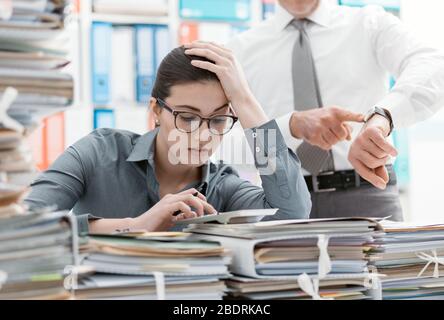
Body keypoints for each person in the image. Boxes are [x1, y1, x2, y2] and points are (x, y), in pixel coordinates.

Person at [24, 42, 311, 235]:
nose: (202, 136)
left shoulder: (225, 187)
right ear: (156, 111)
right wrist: (134, 225)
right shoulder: (98, 152)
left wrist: (245, 100)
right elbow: (21, 224)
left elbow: (293, 215)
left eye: (219, 120)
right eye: (187, 117)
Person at [227, 0, 444, 220]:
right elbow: (225, 147)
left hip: (368, 194)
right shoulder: (240, 51)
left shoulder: (370, 23)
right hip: (283, 204)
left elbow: (433, 66)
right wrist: (289, 127)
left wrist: (383, 116)